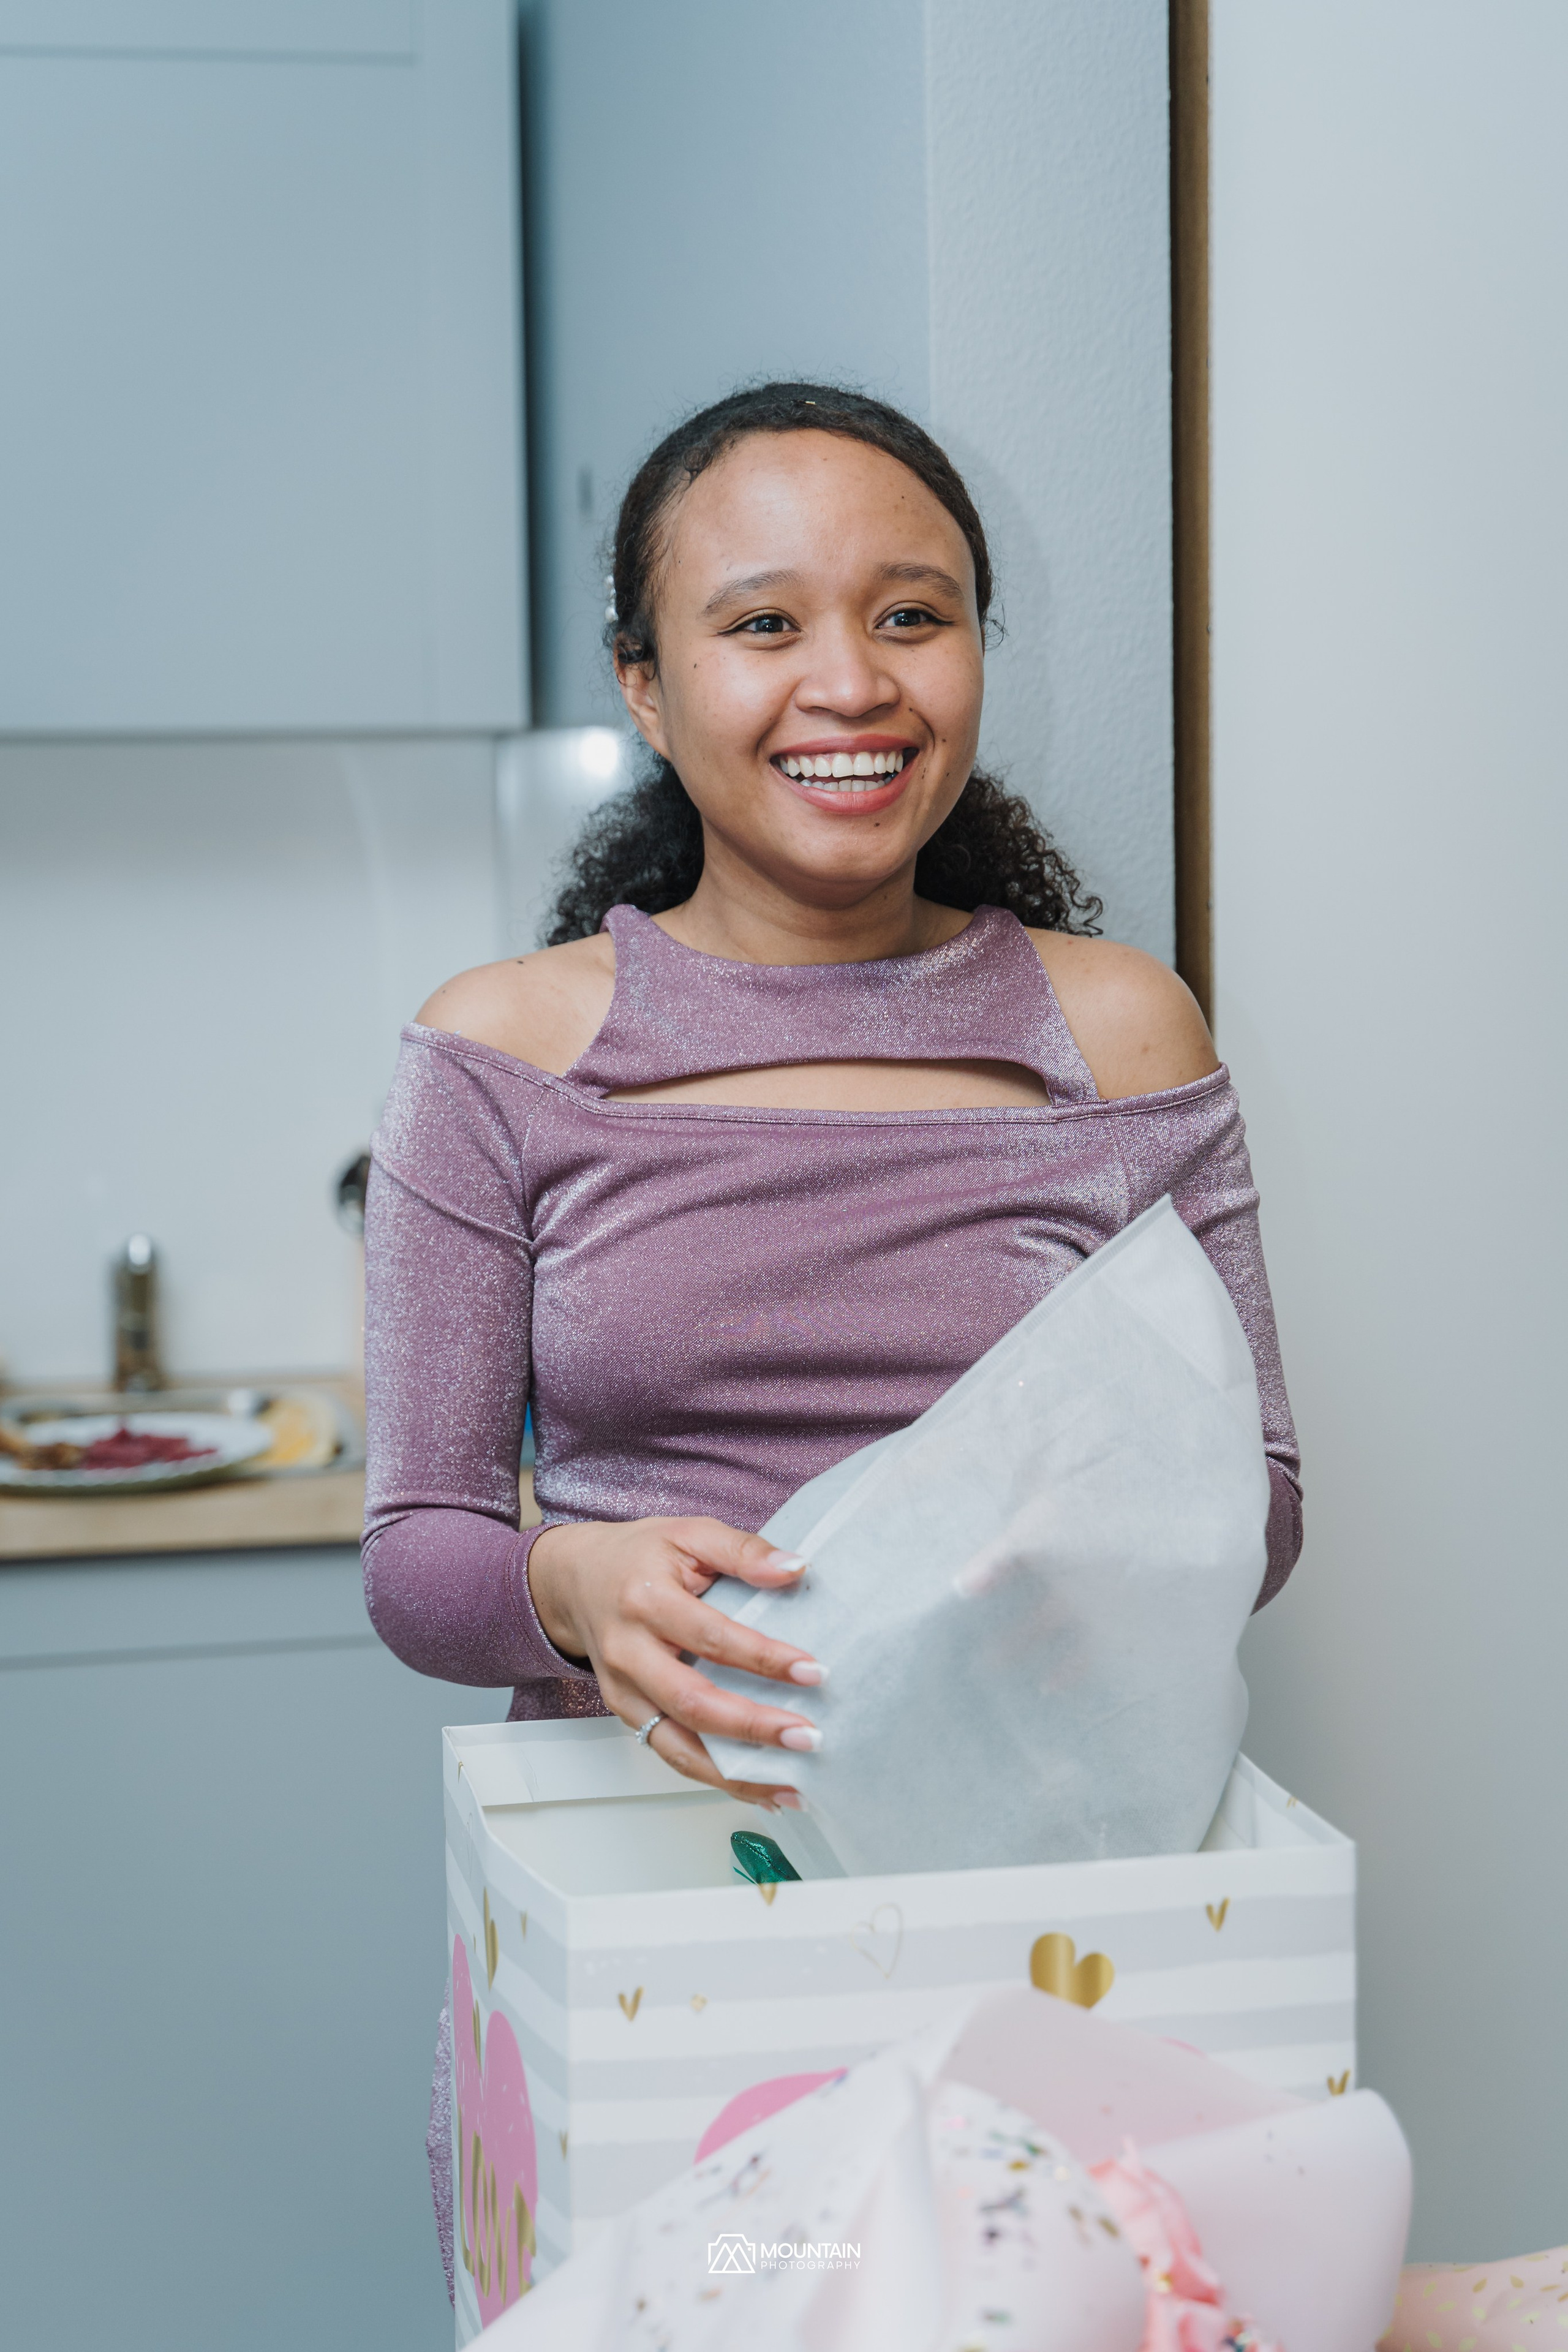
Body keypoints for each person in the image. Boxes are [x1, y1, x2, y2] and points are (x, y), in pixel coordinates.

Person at [360, 382, 1302, 2293]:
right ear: (644, 684)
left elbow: (1261, 1498)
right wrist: (581, 1582)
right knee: (736, 2302)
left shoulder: (1118, 1035)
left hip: (1047, 1895)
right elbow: (417, 1556)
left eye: (913, 612)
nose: (850, 683)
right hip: (658, 1906)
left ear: (974, 654)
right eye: (764, 622)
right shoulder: (509, 1049)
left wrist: (1044, 1578)